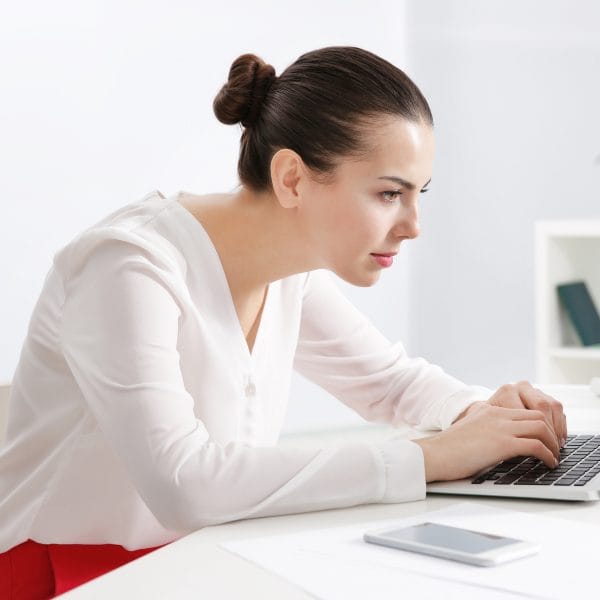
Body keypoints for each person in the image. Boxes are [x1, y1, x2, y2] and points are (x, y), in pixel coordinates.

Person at [0, 46, 566, 598]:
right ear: (292, 178)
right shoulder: (127, 266)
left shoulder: (288, 270)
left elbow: (389, 382)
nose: (413, 225)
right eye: (390, 193)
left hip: (194, 558)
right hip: (61, 575)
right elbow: (184, 485)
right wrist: (428, 457)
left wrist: (484, 415)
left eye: (418, 194)